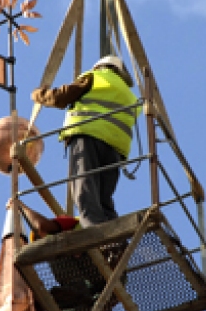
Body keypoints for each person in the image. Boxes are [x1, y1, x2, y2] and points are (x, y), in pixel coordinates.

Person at [31, 55, 140, 229]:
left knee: (85, 189)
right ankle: (115, 238)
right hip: (115, 150)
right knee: (104, 198)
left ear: (100, 67)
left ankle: (95, 232)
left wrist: (39, 94)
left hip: (88, 136)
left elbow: (61, 97)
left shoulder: (96, 77)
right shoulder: (130, 96)